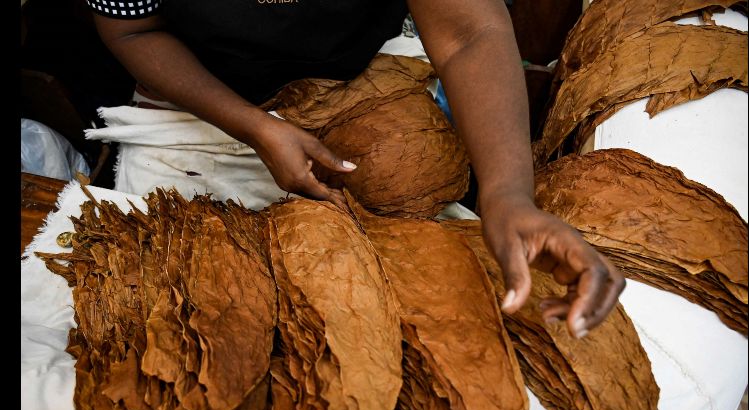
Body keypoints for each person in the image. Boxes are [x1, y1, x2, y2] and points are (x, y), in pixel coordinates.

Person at [87, 0, 625, 338]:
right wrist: (254, 126)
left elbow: (467, 32)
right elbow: (134, 31)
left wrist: (508, 192)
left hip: (360, 63)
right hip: (200, 91)